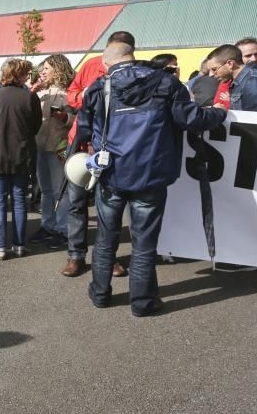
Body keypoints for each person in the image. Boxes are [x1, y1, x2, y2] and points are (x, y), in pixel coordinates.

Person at [77, 43, 227, 316]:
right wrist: (220, 110)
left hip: (110, 173)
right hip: (152, 173)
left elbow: (84, 128)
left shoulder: (99, 87)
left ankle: (100, 294)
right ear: (131, 57)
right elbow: (191, 119)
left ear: (108, 63)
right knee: (144, 242)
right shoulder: (167, 82)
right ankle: (142, 303)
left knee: (105, 237)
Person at [62, 31, 135, 279]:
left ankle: (108, 257)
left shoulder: (133, 73)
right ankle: (76, 256)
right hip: (81, 146)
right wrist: (82, 96)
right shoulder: (91, 66)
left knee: (108, 208)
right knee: (76, 204)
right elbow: (71, 96)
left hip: (111, 148)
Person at [0, 59, 42, 259]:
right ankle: (20, 245)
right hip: (21, 154)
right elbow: (35, 128)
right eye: (26, 74)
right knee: (20, 201)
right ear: (20, 75)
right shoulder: (30, 97)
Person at [29, 55, 74, 249]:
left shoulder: (70, 91)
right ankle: (47, 225)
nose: (43, 72)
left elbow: (77, 119)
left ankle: (63, 230)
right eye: (43, 68)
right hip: (40, 145)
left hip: (59, 146)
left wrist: (65, 117)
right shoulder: (40, 92)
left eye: (47, 68)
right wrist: (32, 92)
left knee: (61, 190)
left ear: (58, 69)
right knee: (46, 190)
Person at [207, 44, 257, 112]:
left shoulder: (253, 80)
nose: (211, 75)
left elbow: (256, 120)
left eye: (214, 69)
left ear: (230, 64)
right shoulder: (240, 81)